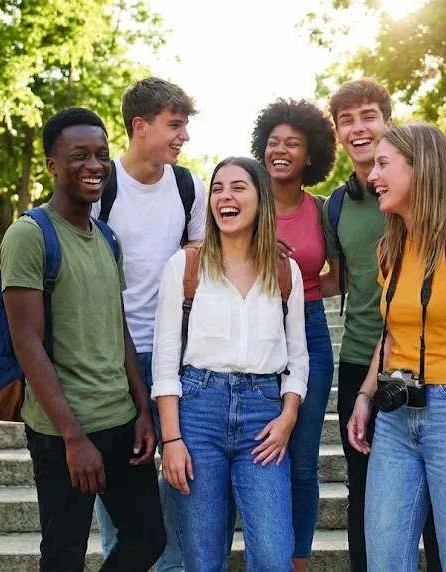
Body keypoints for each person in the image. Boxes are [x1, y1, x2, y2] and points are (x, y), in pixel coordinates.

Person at [2, 107, 165, 572]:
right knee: (63, 554)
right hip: (62, 431)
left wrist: (142, 408)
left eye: (101, 155)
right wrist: (74, 438)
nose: (94, 165)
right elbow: (27, 343)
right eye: (79, 156)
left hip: (118, 421)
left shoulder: (108, 238)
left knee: (147, 538)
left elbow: (119, 330)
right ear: (52, 164)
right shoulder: (30, 235)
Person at [347, 122, 446, 572]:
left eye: (383, 164)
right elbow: (392, 333)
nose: (372, 175)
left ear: (421, 168)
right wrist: (364, 396)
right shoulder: (390, 247)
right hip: (396, 416)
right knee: (385, 561)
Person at [152, 157, 309, 572]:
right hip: (198, 413)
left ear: (260, 199)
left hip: (263, 414)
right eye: (218, 188)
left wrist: (288, 415)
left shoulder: (284, 271)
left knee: (275, 557)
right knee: (203, 561)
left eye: (239, 187)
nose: (225, 196)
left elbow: (298, 357)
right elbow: (165, 361)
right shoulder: (184, 267)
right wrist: (171, 440)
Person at [321, 78, 443, 571]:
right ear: (337, 134)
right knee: (365, 492)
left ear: (387, 122)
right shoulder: (336, 205)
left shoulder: (424, 188)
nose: (358, 128)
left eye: (368, 115)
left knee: (438, 496)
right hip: (359, 362)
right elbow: (337, 279)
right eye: (346, 120)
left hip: (427, 359)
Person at [89, 76, 205, 572]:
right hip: (113, 359)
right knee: (122, 484)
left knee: (181, 474)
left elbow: (200, 254)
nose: (183, 137)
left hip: (175, 357)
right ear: (141, 126)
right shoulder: (102, 186)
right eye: (174, 126)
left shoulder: (188, 186)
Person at [250, 98, 336, 572]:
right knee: (256, 451)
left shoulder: (322, 210)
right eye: (273, 141)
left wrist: (299, 284)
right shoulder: (241, 199)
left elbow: (341, 276)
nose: (280, 150)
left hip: (311, 328)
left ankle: (297, 561)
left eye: (293, 144)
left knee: (301, 458)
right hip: (253, 334)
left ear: (310, 156)